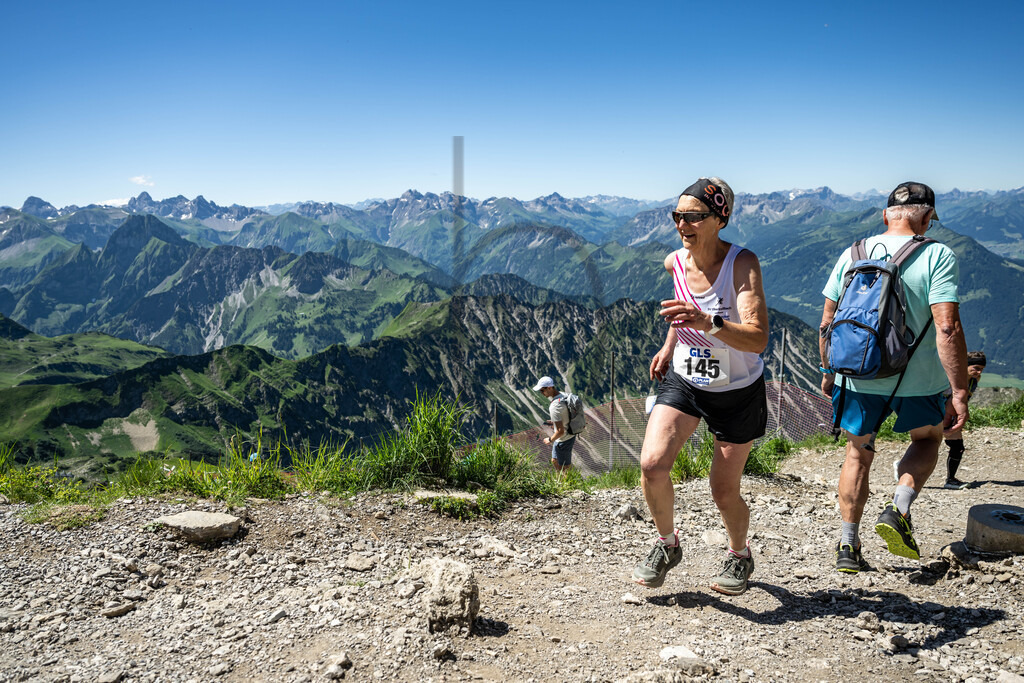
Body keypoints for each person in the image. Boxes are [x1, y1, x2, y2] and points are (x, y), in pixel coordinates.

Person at [820, 181, 969, 574]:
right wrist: (959, 389)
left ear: (886, 215)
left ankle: (848, 546)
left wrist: (828, 371)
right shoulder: (937, 254)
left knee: (857, 453)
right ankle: (898, 508)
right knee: (928, 438)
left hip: (856, 375)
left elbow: (827, 322)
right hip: (918, 380)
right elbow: (948, 328)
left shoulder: (852, 254)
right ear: (925, 218)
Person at [631, 177, 769, 595]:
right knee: (652, 464)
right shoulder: (675, 262)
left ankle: (740, 554)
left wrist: (709, 322)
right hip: (686, 378)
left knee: (723, 491)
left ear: (719, 218)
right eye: (677, 216)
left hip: (737, 389)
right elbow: (681, 313)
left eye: (692, 217)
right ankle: (667, 544)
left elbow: (758, 337)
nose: (681, 225)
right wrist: (669, 343)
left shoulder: (742, 264)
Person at [943, 351, 986, 489]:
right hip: (939, 415)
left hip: (952, 417)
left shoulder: (973, 381)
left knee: (957, 447)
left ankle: (951, 480)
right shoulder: (949, 379)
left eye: (982, 369)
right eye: (976, 368)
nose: (979, 372)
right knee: (926, 445)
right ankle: (905, 469)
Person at [533, 375, 576, 473]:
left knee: (564, 467)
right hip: (568, 434)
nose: (541, 393)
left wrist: (549, 439)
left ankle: (568, 485)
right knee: (555, 460)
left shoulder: (555, 406)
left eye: (542, 390)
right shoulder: (563, 395)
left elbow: (560, 431)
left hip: (564, 439)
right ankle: (561, 482)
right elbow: (566, 413)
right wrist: (555, 421)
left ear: (549, 388)